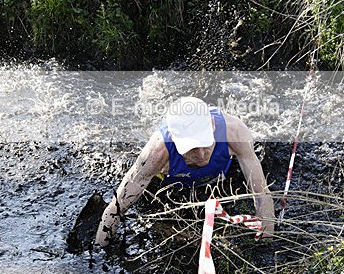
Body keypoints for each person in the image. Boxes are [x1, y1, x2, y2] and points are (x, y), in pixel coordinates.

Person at [95, 96, 275, 246]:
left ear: (212, 125)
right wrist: (100, 252)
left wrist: (266, 241)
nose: (202, 155)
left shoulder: (234, 133)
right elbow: (116, 208)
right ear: (174, 139)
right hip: (171, 187)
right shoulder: (156, 153)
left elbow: (261, 193)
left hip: (220, 178)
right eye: (192, 148)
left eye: (206, 143)